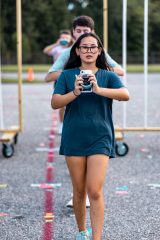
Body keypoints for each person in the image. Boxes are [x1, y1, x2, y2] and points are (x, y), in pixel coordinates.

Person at [51, 32, 129, 240]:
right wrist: (74, 93)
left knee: (94, 190)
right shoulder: (67, 75)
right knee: (78, 190)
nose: (89, 51)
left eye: (93, 47)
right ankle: (81, 232)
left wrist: (98, 89)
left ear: (99, 50)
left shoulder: (108, 75)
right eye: (84, 47)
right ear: (77, 51)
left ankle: (96, 237)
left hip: (100, 137)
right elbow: (55, 102)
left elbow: (125, 95)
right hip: (74, 137)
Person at [45, 15, 124, 135]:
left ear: (92, 32)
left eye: (85, 31)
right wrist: (72, 72)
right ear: (73, 33)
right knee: (67, 109)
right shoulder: (67, 53)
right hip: (72, 91)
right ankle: (63, 125)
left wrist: (95, 70)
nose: (82, 33)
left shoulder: (98, 50)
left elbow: (120, 71)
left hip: (95, 92)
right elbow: (49, 77)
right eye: (78, 31)